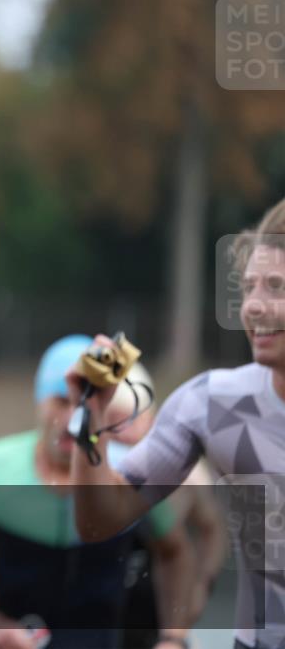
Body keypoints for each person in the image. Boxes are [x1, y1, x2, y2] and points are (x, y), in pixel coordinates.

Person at [71, 200, 285, 649]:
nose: (254, 307)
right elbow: (99, 522)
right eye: (248, 289)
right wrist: (89, 419)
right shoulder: (210, 402)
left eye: (276, 287)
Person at [0, 335, 193, 649]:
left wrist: (174, 638)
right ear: (39, 402)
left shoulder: (134, 475)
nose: (72, 420)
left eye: (84, 403)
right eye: (61, 401)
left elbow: (176, 553)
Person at [104, 363, 227, 649]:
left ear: (151, 419)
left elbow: (213, 530)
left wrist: (202, 585)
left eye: (129, 420)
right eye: (112, 422)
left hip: (157, 611)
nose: (121, 432)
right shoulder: (92, 472)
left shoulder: (186, 473)